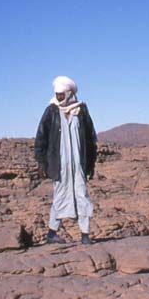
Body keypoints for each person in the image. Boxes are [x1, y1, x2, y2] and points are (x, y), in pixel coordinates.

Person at [34, 75, 97, 245]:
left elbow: (91, 139)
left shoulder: (81, 111)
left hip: (78, 165)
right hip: (59, 164)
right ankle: (52, 233)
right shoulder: (52, 110)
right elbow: (41, 137)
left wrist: (90, 164)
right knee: (60, 196)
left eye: (62, 94)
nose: (59, 97)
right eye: (57, 94)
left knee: (81, 195)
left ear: (69, 93)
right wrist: (41, 162)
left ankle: (85, 234)